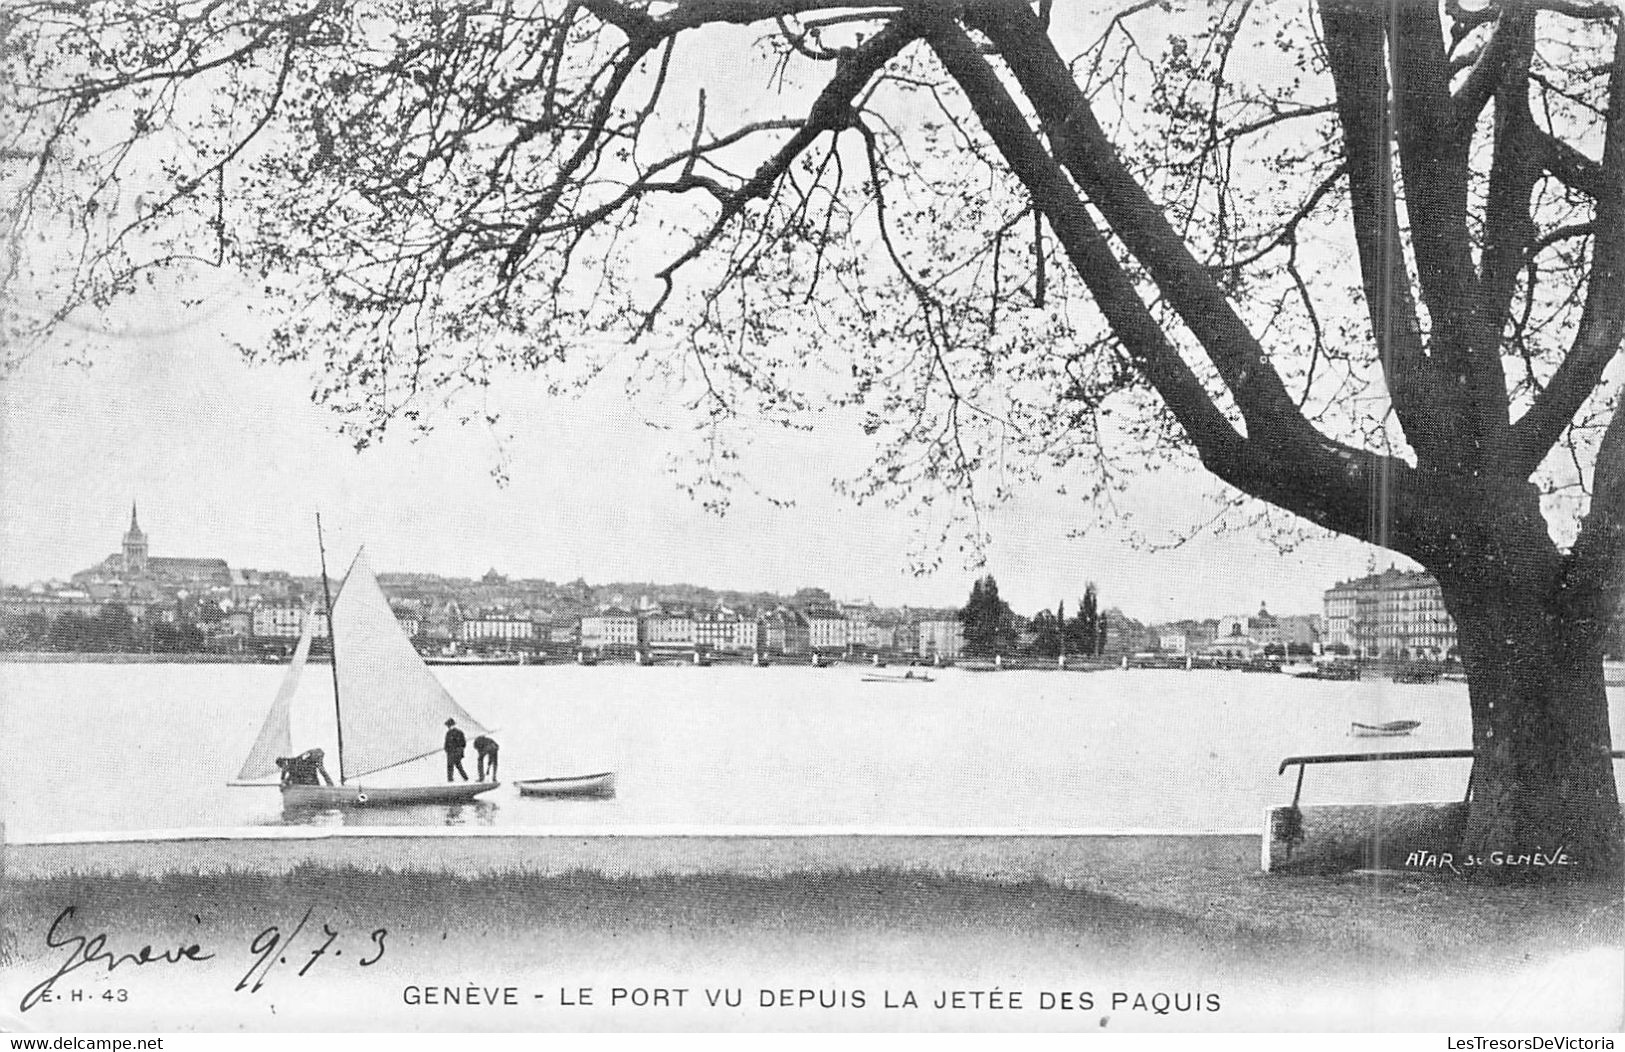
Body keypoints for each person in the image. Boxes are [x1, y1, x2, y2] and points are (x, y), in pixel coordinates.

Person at [443, 718, 468, 782]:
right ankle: (465, 778)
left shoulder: (456, 733)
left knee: (452, 766)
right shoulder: (450, 733)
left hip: (454, 752)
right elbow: (446, 744)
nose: (448, 727)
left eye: (448, 725)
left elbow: (463, 744)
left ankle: (451, 780)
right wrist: (447, 749)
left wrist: (458, 750)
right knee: (457, 765)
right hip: (452, 752)